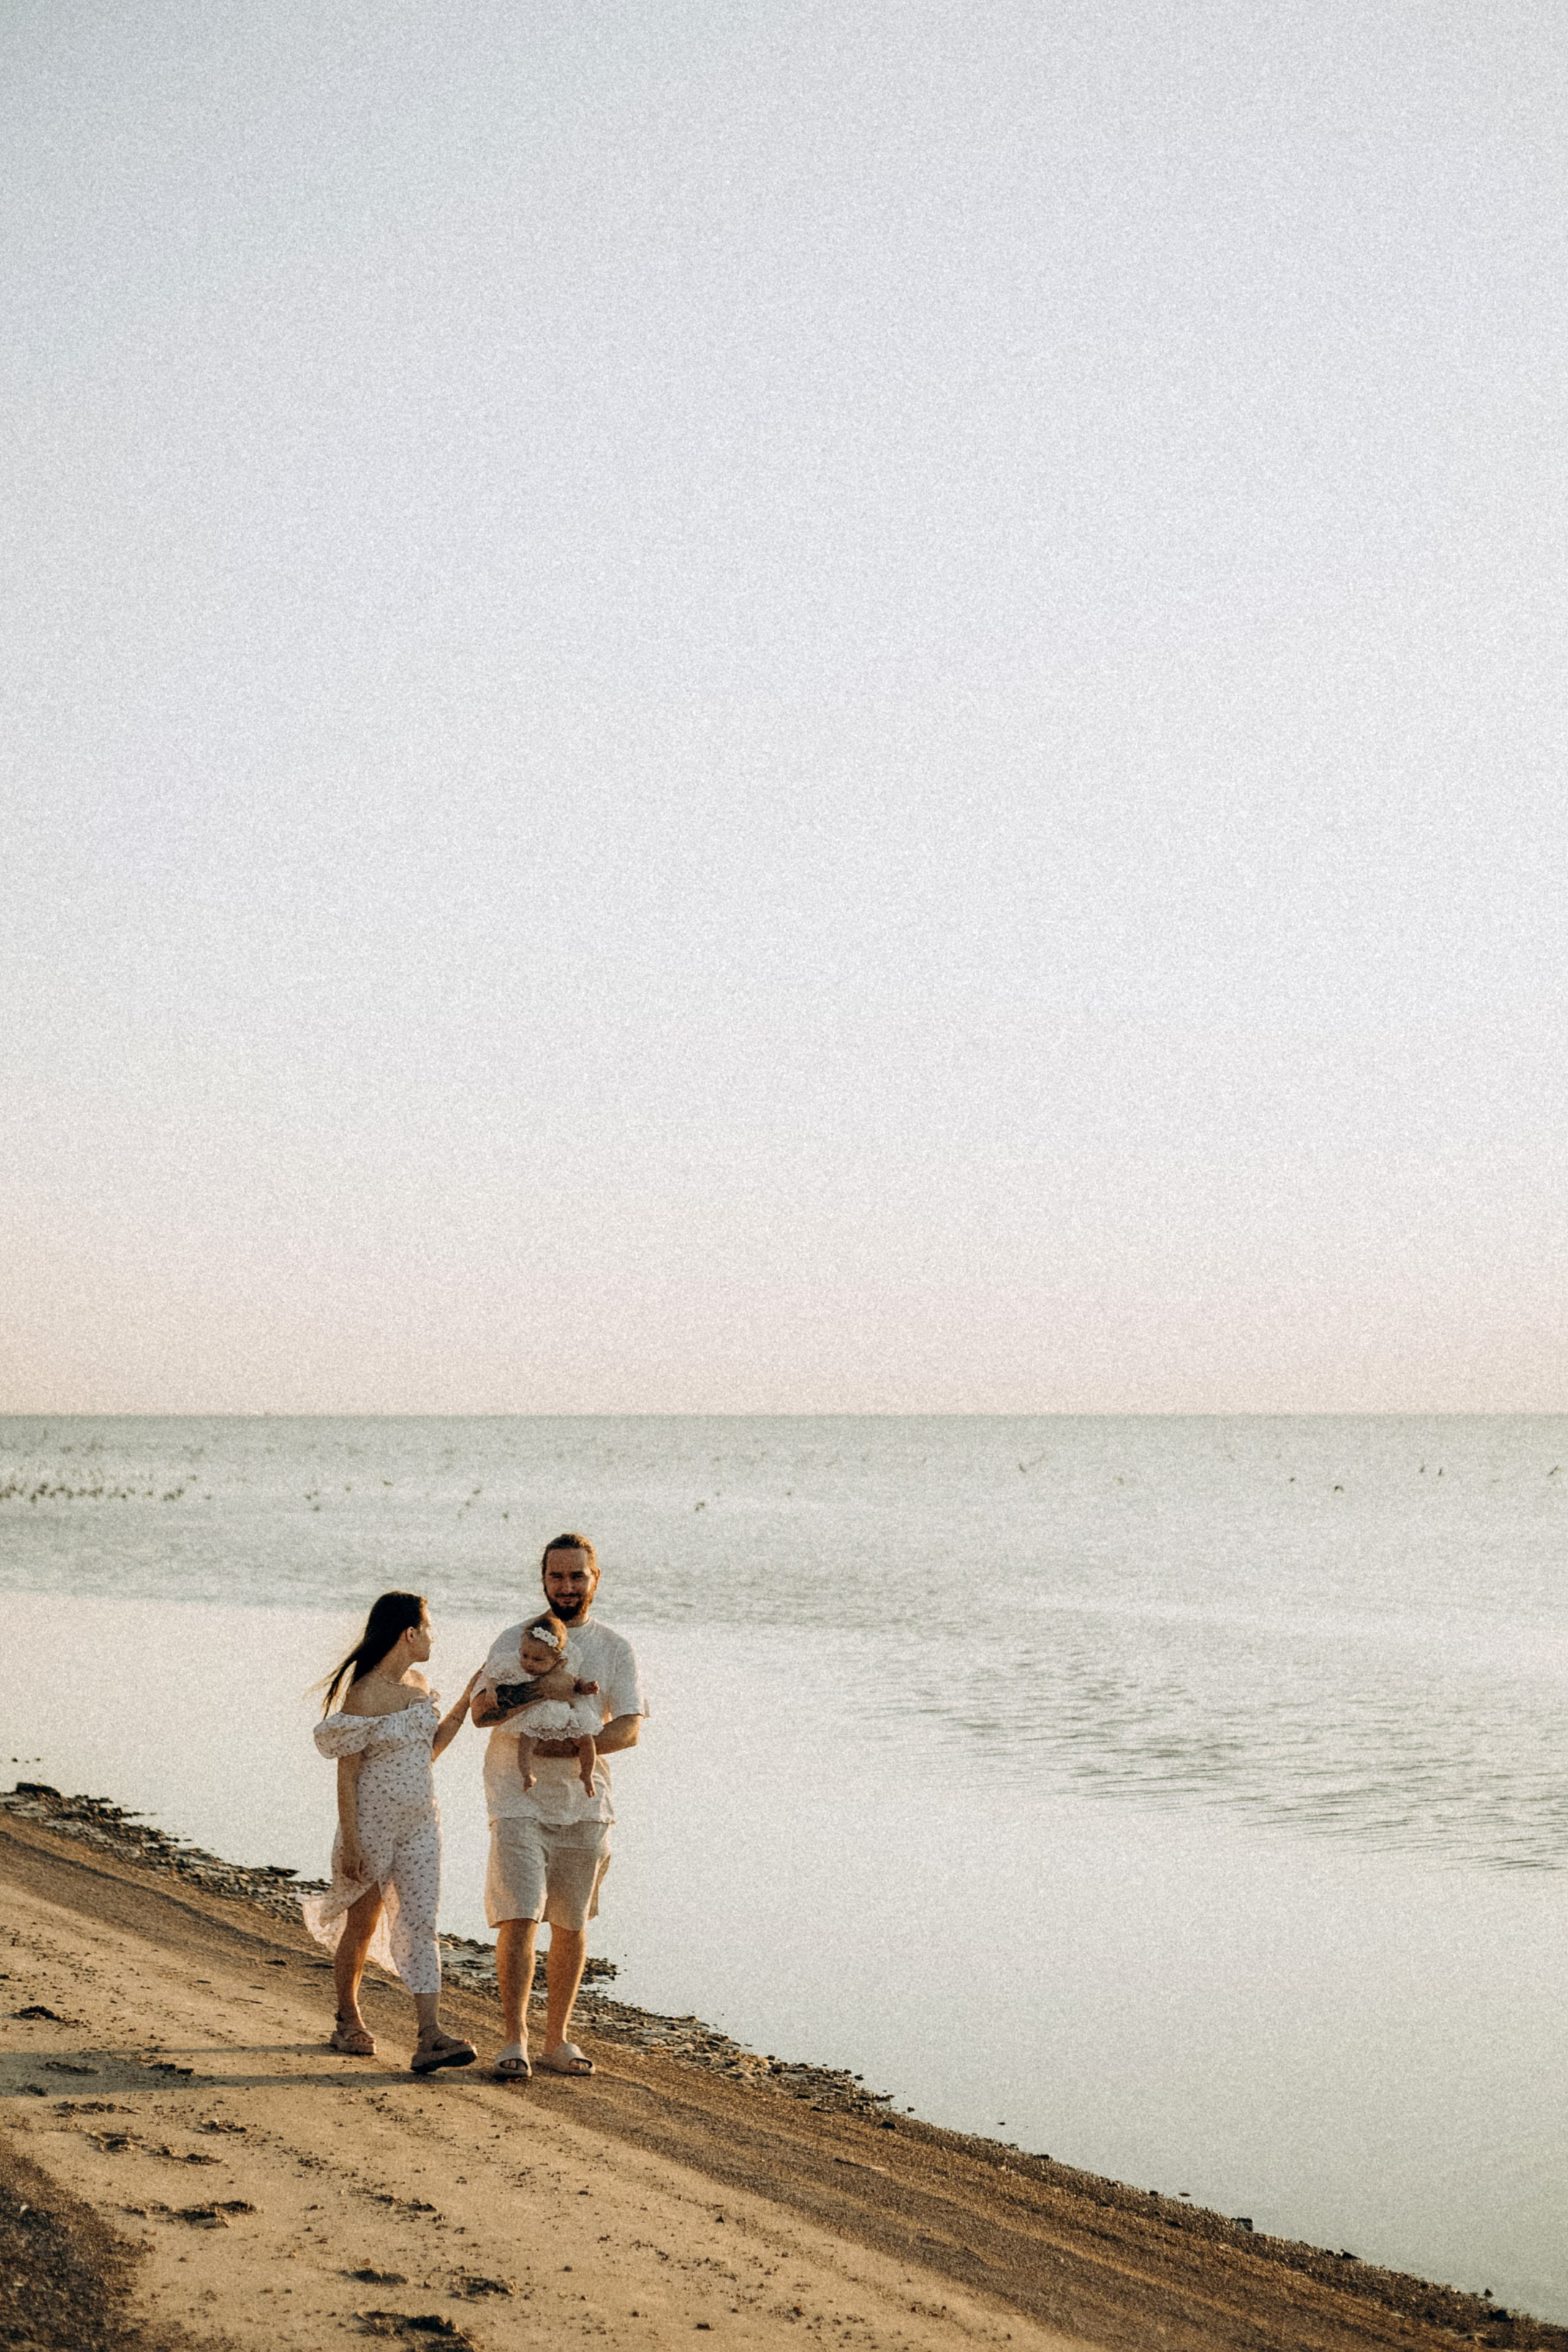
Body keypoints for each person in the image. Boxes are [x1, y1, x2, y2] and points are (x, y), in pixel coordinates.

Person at [470, 1533, 647, 2082]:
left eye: (576, 1576)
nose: (566, 1587)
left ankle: (557, 2040)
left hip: (586, 1803)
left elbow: (630, 1726)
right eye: (556, 1577)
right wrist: (543, 1687)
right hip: (515, 1796)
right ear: (543, 1579)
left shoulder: (615, 1648)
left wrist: (571, 1747)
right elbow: (481, 1711)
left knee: (570, 1923)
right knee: (520, 1915)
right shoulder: (514, 1639)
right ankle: (514, 2040)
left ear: (596, 1579)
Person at [301, 1591, 479, 2074]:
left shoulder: (421, 1686)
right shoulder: (364, 1694)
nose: (434, 1637)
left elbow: (430, 1750)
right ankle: (346, 2019)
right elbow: (347, 1774)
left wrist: (464, 1701)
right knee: (361, 1925)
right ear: (410, 1633)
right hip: (372, 1826)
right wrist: (352, 1842)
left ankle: (429, 2035)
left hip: (422, 1824)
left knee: (422, 1921)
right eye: (430, 1628)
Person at [499, 1613, 601, 1795]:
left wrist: (588, 1688)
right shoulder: (526, 1675)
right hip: (538, 1715)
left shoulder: (565, 1673)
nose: (529, 1663)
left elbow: (577, 1686)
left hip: (566, 1714)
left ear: (556, 1660)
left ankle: (587, 1774)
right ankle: (527, 1773)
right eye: (525, 1656)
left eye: (538, 1660)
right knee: (526, 1740)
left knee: (586, 1740)